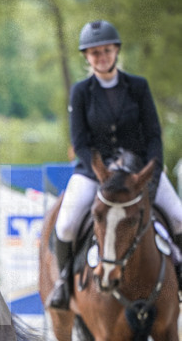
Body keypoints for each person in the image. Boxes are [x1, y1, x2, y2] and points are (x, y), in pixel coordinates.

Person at [47, 20, 182, 309]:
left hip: (139, 172)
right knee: (67, 223)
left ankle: (179, 279)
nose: (102, 57)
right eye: (95, 53)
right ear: (87, 57)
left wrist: (152, 175)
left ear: (116, 51)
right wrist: (100, 169)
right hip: (96, 173)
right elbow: (80, 141)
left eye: (106, 51)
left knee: (179, 215)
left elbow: (154, 135)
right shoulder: (82, 91)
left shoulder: (138, 86)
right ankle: (63, 281)